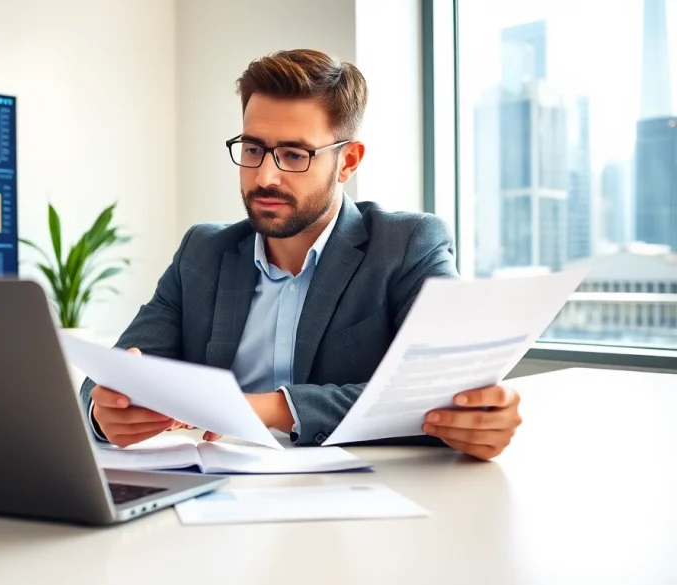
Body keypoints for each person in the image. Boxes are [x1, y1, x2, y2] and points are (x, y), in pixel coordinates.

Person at [79, 49, 522, 461]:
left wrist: (270, 408)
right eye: (253, 149)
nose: (265, 176)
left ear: (348, 161)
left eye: (294, 154)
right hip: (213, 500)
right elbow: (113, 377)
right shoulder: (203, 252)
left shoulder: (407, 245)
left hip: (360, 506)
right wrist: (106, 412)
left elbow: (438, 390)